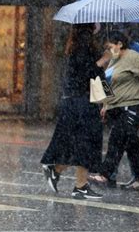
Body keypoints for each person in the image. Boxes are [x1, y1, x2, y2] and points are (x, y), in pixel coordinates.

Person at [41, 24, 108, 199]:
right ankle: (79, 186)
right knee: (86, 143)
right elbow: (88, 73)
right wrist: (103, 60)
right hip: (81, 102)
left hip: (79, 101)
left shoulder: (83, 43)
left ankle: (59, 172)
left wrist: (107, 100)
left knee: (80, 144)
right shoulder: (83, 44)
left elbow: (97, 75)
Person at [89, 31, 139, 191]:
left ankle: (105, 175)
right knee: (131, 143)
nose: (108, 50)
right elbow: (107, 82)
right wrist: (106, 104)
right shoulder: (114, 59)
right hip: (117, 107)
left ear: (120, 44)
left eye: (110, 46)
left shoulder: (133, 56)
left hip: (134, 105)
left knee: (117, 137)